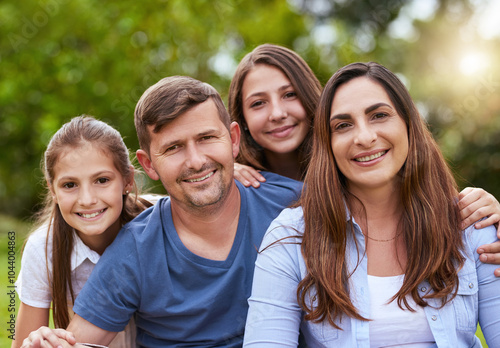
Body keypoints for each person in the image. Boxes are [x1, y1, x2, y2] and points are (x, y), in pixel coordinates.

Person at [21, 76, 302, 348]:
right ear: (148, 164)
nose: (196, 161)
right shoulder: (132, 251)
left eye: (206, 138)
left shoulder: (295, 205)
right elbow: (77, 342)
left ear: (232, 139)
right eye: (174, 148)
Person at [243, 62, 500, 346]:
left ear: (408, 124)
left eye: (379, 115)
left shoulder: (471, 222)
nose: (364, 137)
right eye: (343, 125)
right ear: (327, 144)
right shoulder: (290, 237)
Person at [228, 43, 500, 271]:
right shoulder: (241, 189)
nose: (277, 113)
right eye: (258, 103)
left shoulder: (366, 167)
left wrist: (486, 214)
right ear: (241, 121)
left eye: (289, 94)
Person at [13, 116, 155, 348]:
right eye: (70, 185)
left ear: (128, 180)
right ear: (53, 190)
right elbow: (23, 343)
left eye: (101, 180)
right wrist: (36, 340)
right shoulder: (44, 249)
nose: (87, 200)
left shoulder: (159, 220)